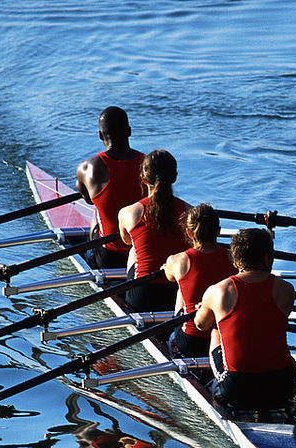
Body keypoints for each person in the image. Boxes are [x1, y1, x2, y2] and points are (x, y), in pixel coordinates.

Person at [193, 228, 296, 418]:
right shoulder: (286, 289)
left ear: (235, 260)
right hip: (281, 386)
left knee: (215, 330)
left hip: (238, 389)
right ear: (267, 258)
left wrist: (207, 308)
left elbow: (200, 325)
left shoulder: (217, 291)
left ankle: (219, 390)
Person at [117, 149, 191, 312]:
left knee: (133, 251)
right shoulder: (190, 212)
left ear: (143, 179)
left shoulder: (128, 213)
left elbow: (126, 241)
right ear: (175, 178)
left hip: (143, 296)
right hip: (177, 292)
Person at [162, 203, 236, 358]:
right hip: (224, 338)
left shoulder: (177, 260)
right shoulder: (234, 258)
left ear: (189, 233)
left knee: (180, 289)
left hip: (191, 340)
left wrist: (167, 267)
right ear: (218, 231)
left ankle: (173, 341)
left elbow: (169, 277)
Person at [75, 106, 145, 269]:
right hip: (142, 251)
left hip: (109, 257)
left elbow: (88, 200)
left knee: (96, 207)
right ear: (129, 131)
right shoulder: (148, 163)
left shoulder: (87, 168)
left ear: (100, 135)